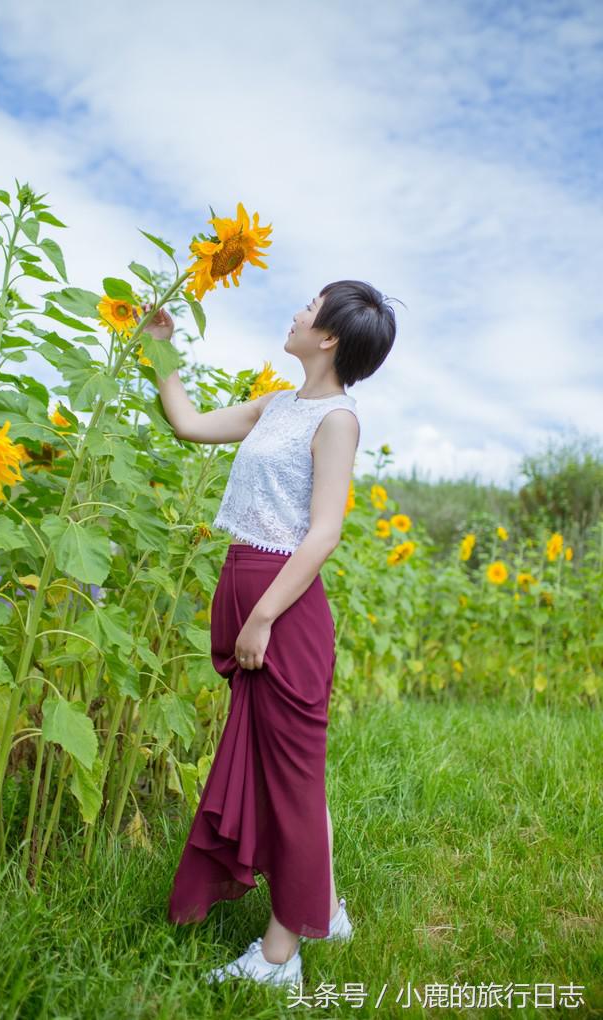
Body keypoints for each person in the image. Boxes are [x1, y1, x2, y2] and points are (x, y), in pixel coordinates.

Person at [145, 279, 398, 987]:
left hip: (283, 611)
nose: (295, 312)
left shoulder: (338, 420)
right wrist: (162, 352)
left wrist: (262, 617)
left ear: (329, 339)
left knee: (290, 776)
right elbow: (189, 425)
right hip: (247, 586)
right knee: (291, 772)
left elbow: (324, 533)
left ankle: (281, 959)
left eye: (310, 308)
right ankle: (328, 908)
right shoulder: (276, 406)